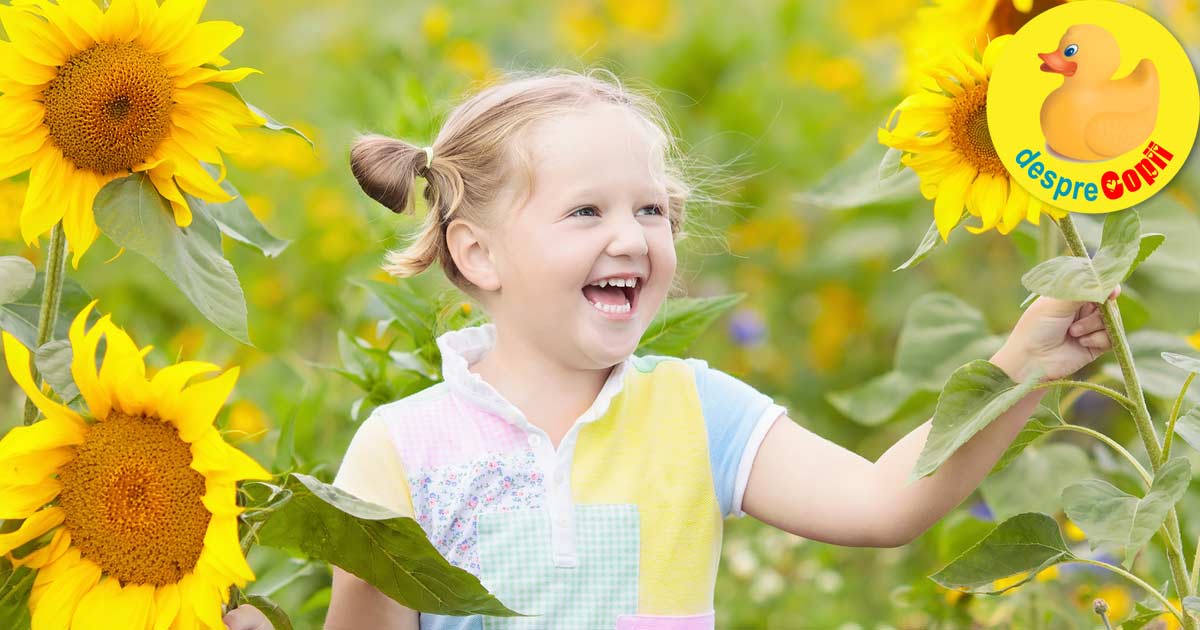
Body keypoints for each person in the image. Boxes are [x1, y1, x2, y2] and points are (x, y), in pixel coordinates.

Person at [236, 68, 1117, 630]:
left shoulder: (696, 410)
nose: (631, 238)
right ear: (477, 252)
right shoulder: (403, 446)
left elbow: (883, 504)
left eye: (650, 209)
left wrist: (1020, 369)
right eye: (587, 211)